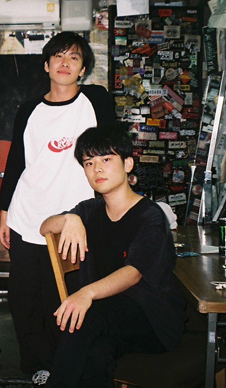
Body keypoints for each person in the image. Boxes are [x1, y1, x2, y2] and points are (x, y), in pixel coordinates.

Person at [0, 31, 116, 386]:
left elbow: (112, 151)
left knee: (67, 295)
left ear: (83, 69)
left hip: (77, 220)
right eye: (58, 57)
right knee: (25, 299)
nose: (65, 63)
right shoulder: (29, 110)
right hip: (28, 215)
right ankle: (39, 365)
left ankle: (68, 364)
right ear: (47, 65)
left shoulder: (96, 100)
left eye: (74, 58)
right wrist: (4, 213)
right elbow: (16, 162)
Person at [39, 126, 186, 387]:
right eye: (89, 162)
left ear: (128, 164)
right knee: (96, 355)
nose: (97, 169)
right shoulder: (89, 210)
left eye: (106, 159)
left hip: (152, 320)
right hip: (108, 319)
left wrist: (86, 293)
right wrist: (70, 218)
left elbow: (133, 273)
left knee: (85, 316)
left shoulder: (149, 215)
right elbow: (45, 227)